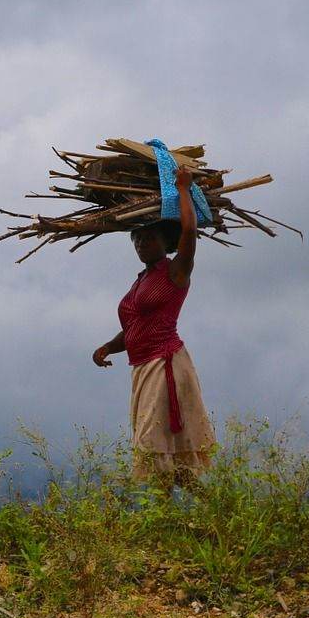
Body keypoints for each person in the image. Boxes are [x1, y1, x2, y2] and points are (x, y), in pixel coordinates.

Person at [93, 166, 215, 487]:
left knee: (154, 443)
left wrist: (184, 189)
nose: (141, 244)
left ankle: (165, 518)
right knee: (160, 449)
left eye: (148, 238)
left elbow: (189, 233)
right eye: (137, 239)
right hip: (143, 367)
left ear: (165, 241)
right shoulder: (140, 281)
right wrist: (109, 346)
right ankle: (203, 512)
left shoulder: (175, 273)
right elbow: (135, 327)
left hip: (166, 364)